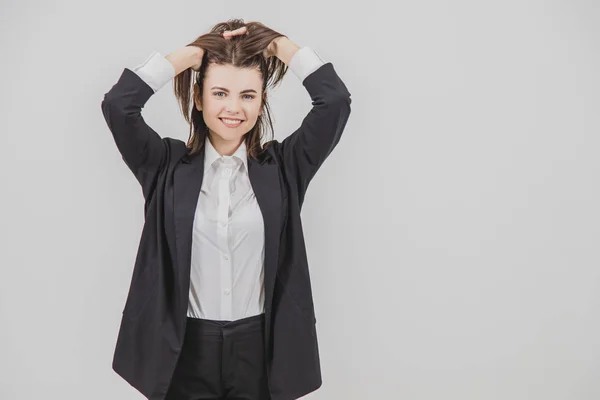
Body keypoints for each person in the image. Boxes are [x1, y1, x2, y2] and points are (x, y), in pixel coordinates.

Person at [101, 19, 352, 400]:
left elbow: (334, 101)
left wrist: (278, 45)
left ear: (262, 101)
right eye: (220, 93)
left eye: (248, 96)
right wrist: (189, 56)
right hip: (184, 348)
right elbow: (119, 106)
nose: (234, 108)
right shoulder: (164, 165)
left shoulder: (284, 167)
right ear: (198, 98)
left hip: (260, 348)